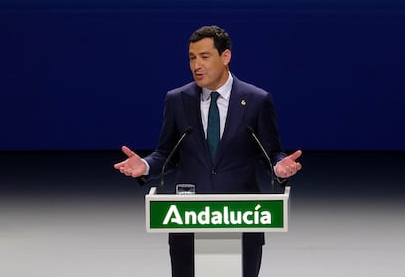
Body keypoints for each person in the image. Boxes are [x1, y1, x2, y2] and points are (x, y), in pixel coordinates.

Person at [114, 25, 302, 277]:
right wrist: (146, 166)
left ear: (225, 57)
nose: (196, 65)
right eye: (192, 58)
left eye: (204, 56)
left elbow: (270, 153)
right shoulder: (176, 99)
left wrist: (279, 167)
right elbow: (166, 153)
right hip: (188, 221)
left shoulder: (257, 100)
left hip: (242, 221)